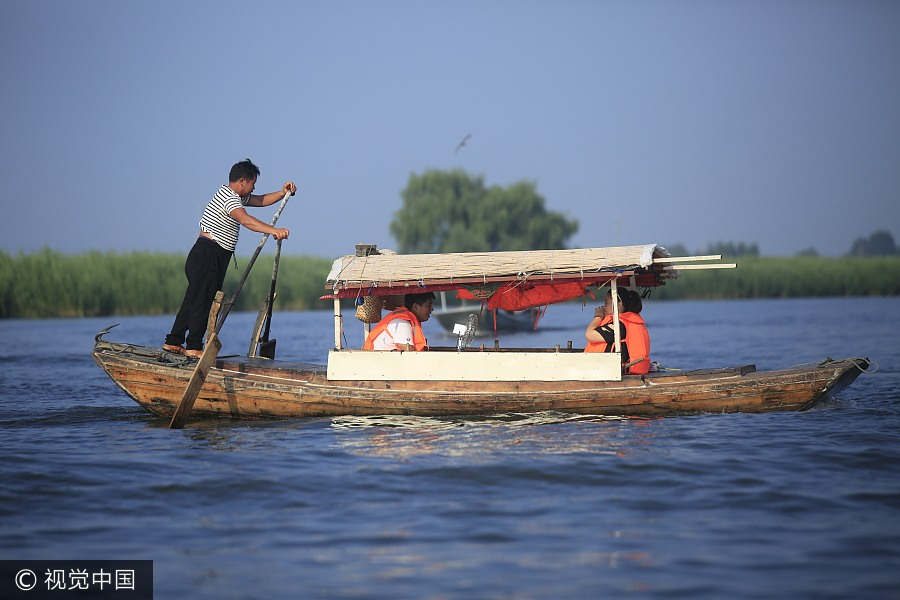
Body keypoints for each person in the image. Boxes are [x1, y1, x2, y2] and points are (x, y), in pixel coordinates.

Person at [164, 159, 295, 358]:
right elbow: (245, 220)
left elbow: (259, 200)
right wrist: (273, 231)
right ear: (242, 181)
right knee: (200, 301)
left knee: (195, 299)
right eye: (252, 183)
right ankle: (193, 346)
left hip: (211, 255)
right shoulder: (229, 198)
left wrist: (281, 192)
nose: (253, 188)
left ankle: (174, 342)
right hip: (208, 254)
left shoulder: (234, 196)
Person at [584, 289, 650, 374]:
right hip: (632, 369)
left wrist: (598, 317)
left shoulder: (619, 326)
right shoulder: (631, 322)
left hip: (621, 372)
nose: (604, 307)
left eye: (606, 303)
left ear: (619, 304)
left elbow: (589, 335)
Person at [363, 292, 435, 351]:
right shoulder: (402, 323)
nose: (432, 309)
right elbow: (409, 352)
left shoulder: (406, 319)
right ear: (415, 306)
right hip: (377, 363)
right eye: (428, 306)